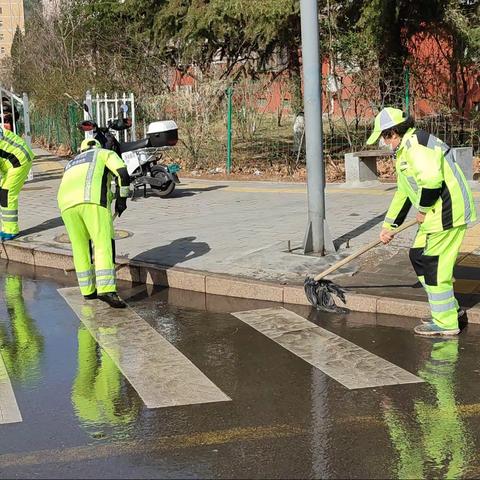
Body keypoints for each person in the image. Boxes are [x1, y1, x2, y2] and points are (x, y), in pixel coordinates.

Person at [367, 107, 476, 336]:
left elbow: (431, 181)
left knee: (434, 267)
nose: (385, 144)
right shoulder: (407, 149)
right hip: (434, 214)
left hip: (446, 213)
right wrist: (389, 226)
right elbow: (404, 193)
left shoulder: (416, 146)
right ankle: (446, 309)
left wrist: (424, 209)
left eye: (384, 138)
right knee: (418, 255)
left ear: (392, 133)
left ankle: (446, 323)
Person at [57, 139, 130, 308]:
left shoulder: (71, 163)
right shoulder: (105, 153)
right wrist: (122, 199)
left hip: (66, 206)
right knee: (103, 243)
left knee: (80, 247)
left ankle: (88, 291)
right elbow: (123, 173)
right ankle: (106, 290)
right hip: (93, 201)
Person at [0, 126, 34, 240]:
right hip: (9, 163)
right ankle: (6, 228)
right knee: (3, 193)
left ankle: (11, 230)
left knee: (7, 193)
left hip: (19, 160)